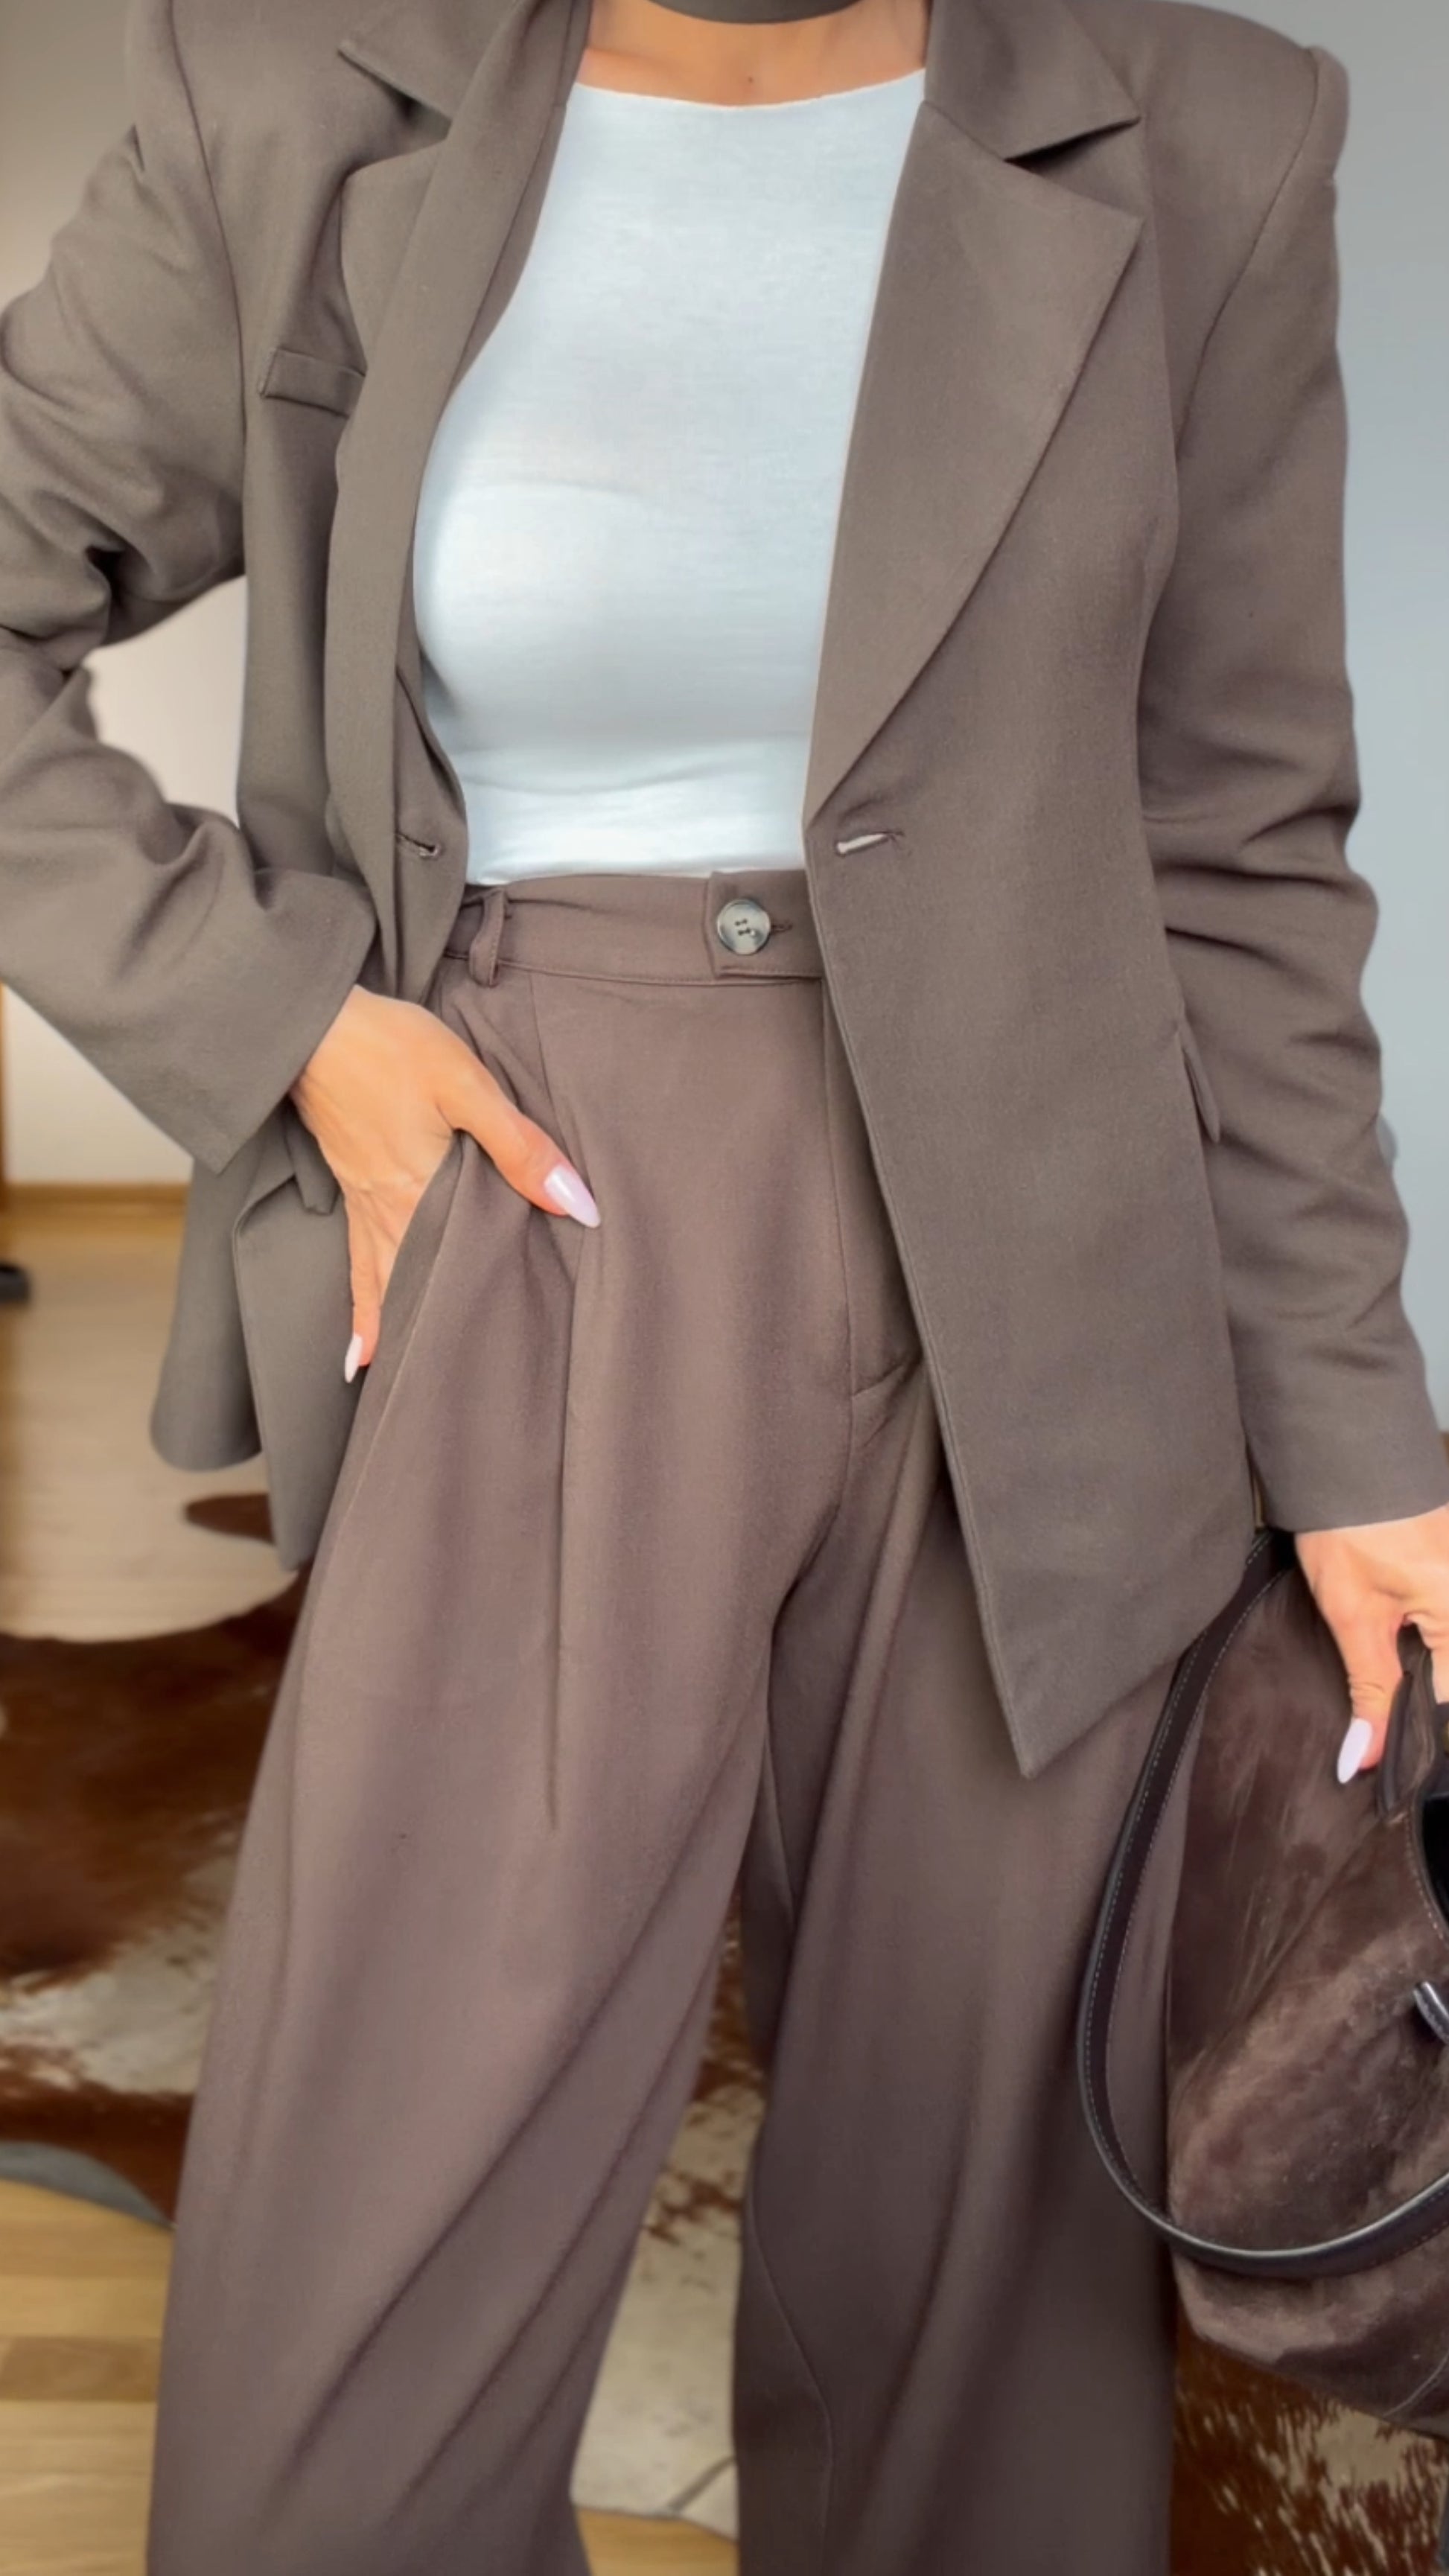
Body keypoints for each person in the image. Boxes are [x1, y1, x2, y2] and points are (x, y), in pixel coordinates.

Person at [1, 0, 1447, 2567]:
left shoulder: (1207, 126)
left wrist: (1352, 1436)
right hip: (541, 1202)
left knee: (980, 2316)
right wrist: (282, 1019)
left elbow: (1233, 834)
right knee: (355, 2353)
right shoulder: (293, 92)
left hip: (1053, 1288)